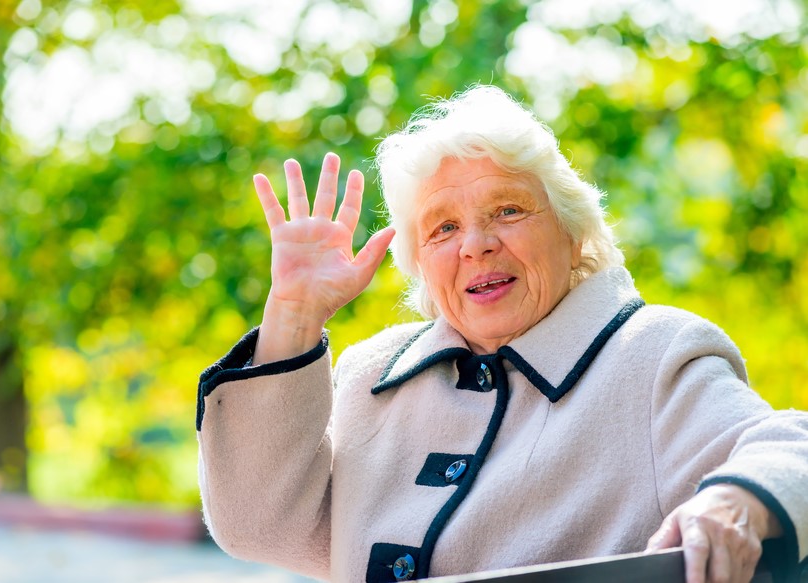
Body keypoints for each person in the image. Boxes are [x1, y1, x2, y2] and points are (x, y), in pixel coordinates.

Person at [196, 85, 808, 583]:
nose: (476, 245)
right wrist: (295, 316)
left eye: (508, 211)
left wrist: (734, 503)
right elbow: (258, 526)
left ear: (573, 233)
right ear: (420, 265)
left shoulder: (651, 353)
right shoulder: (372, 376)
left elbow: (790, 449)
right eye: (442, 229)